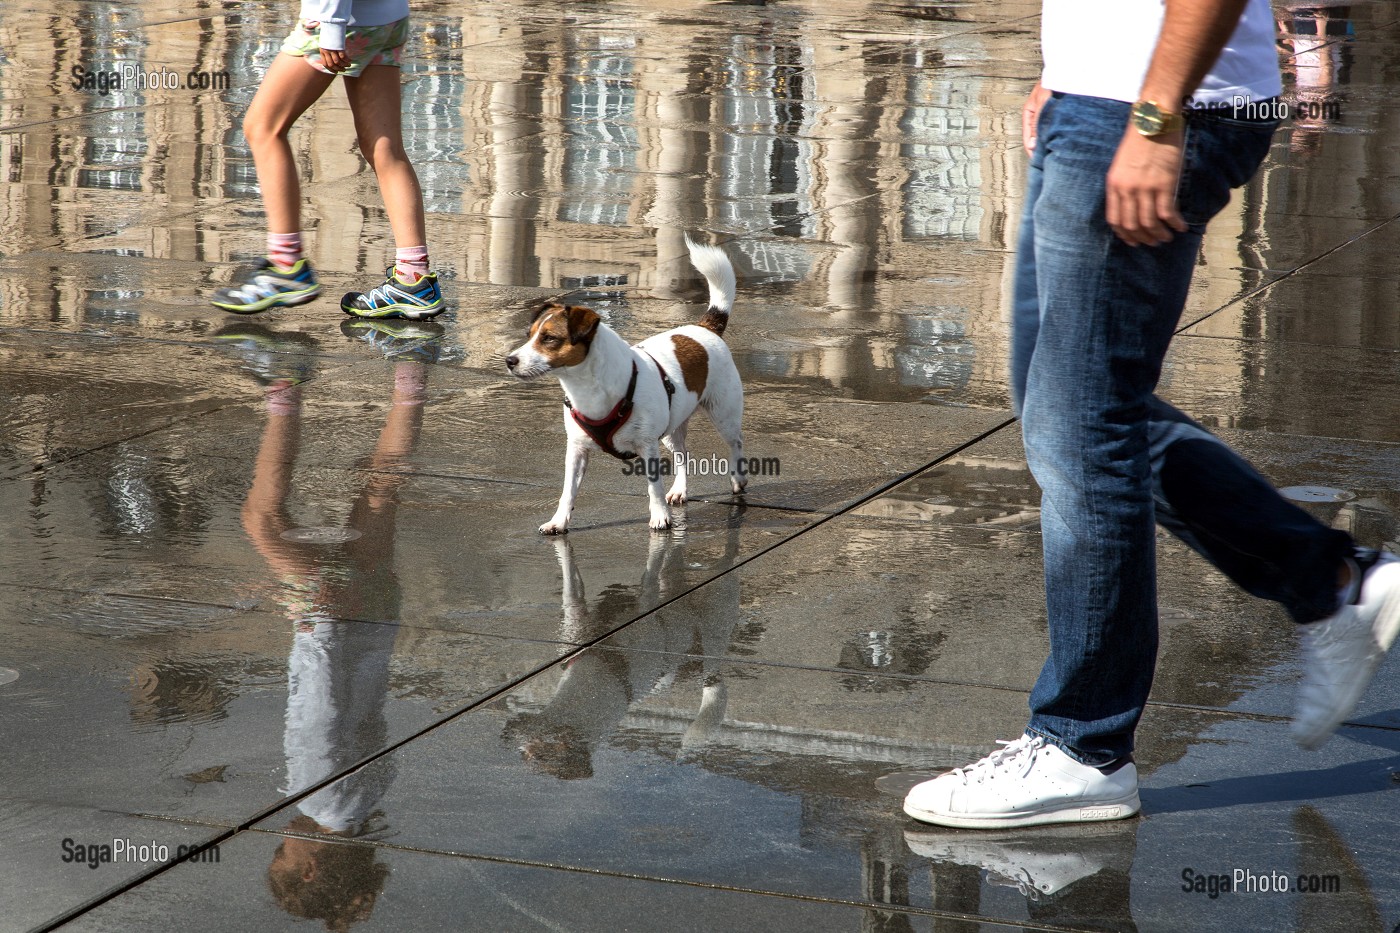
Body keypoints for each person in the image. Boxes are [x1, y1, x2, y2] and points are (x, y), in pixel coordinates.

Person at [903, 0, 1400, 830]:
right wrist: (1064, 74)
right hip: (1102, 100)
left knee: (1080, 424)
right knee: (1060, 400)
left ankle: (1082, 745)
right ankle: (1333, 581)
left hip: (1156, 107)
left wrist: (1155, 115)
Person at [212, 0, 444, 320]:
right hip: (387, 18)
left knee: (263, 127)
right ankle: (413, 279)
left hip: (338, 22)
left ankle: (286, 267)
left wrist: (331, 27)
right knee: (383, 147)